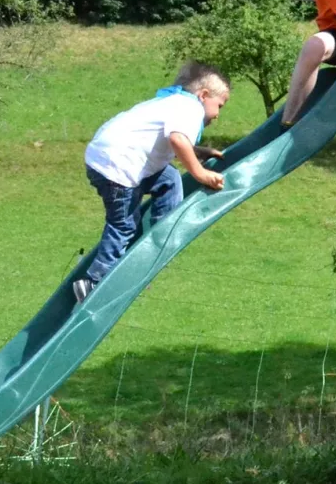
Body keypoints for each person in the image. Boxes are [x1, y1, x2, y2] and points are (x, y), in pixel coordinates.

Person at [75, 62, 231, 303]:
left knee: (169, 180)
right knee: (124, 225)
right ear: (204, 95)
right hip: (118, 166)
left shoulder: (172, 103)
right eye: (219, 105)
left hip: (109, 157)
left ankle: (161, 232)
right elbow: (178, 139)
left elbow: (170, 138)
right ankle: (94, 283)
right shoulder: (190, 108)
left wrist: (198, 151)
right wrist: (200, 173)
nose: (218, 114)